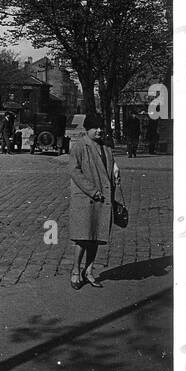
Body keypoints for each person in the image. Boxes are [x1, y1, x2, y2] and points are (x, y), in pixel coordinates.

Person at [68, 113, 119, 290]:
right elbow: (75, 172)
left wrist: (115, 172)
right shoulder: (79, 147)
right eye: (95, 128)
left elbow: (109, 166)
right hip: (86, 198)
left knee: (96, 237)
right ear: (86, 129)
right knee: (83, 238)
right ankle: (75, 271)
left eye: (101, 128)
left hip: (102, 198)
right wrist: (92, 190)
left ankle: (88, 270)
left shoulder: (106, 147)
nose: (99, 131)